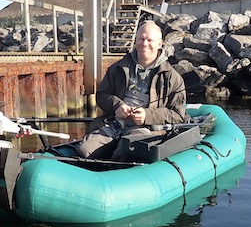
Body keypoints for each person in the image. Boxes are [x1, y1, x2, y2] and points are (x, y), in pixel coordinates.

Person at [77, 20, 187, 160]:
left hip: (144, 130)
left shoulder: (173, 78)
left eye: (149, 40)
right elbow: (101, 95)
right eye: (141, 39)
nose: (144, 43)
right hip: (114, 124)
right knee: (84, 150)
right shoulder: (117, 68)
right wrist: (117, 105)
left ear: (160, 44)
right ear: (135, 41)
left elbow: (177, 115)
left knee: (123, 155)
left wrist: (147, 116)